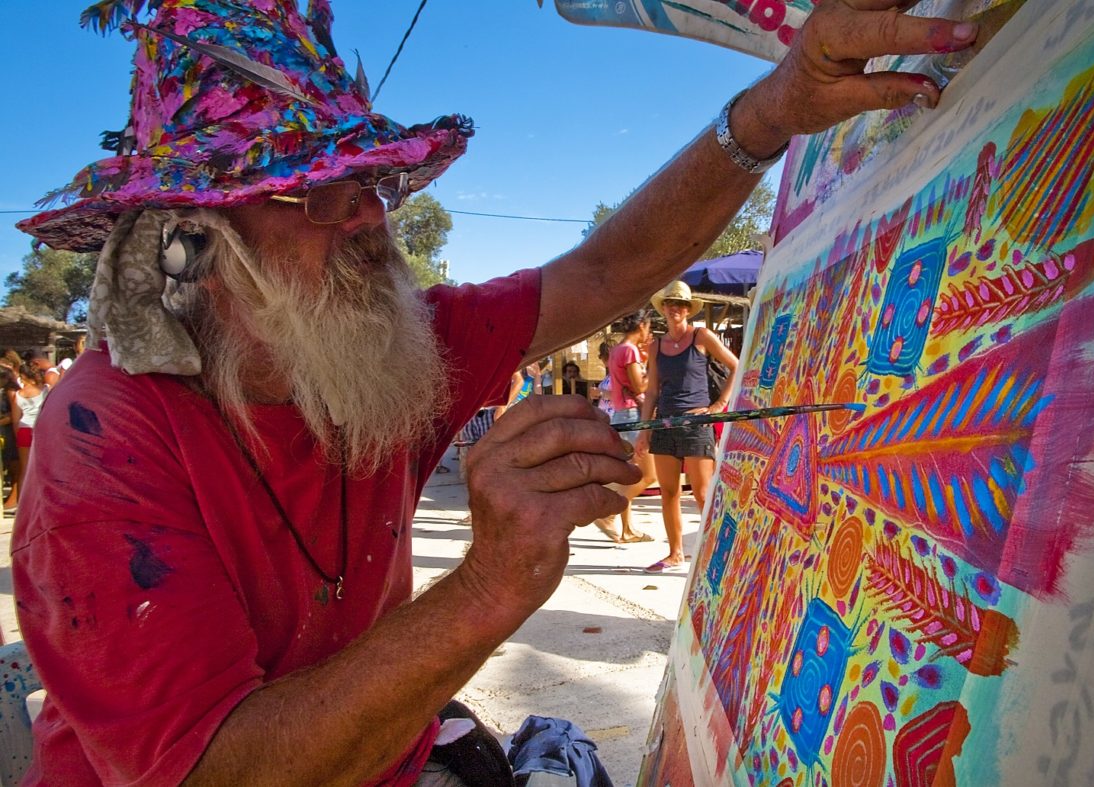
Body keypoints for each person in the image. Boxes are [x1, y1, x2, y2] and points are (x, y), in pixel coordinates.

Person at [11, 1, 973, 783]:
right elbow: (216, 772)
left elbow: (601, 272)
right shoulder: (105, 433)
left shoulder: (386, 354)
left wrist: (772, 112)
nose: (370, 217)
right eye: (314, 192)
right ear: (196, 249)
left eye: (373, 182)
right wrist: (488, 586)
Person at [637, 282, 739, 573]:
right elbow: (652, 392)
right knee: (668, 492)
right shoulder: (655, 346)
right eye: (670, 304)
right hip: (665, 424)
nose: (675, 309)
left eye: (681, 304)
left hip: (696, 424)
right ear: (663, 309)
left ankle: (714, 552)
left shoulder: (701, 336)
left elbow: (736, 365)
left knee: (703, 493)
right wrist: (645, 431)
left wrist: (719, 404)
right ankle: (675, 553)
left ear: (687, 308)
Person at [600, 311, 658, 543]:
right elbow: (640, 386)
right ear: (642, 325)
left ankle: (627, 529)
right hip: (633, 415)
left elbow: (627, 386)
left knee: (630, 477)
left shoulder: (616, 351)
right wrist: (654, 367)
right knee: (648, 476)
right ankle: (608, 512)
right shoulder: (630, 351)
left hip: (621, 415)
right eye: (649, 327)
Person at [11, 362, 49, 515]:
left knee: (24, 469)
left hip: (24, 429)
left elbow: (15, 419)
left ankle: (22, 506)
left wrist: (17, 436)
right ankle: (40, 503)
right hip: (40, 430)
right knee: (41, 467)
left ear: (23, 376)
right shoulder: (45, 390)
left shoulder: (18, 395)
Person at [0, 367, 21, 512]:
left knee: (13, 465)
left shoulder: (10, 391)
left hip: (8, 431)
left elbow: (14, 414)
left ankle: (14, 497)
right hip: (7, 430)